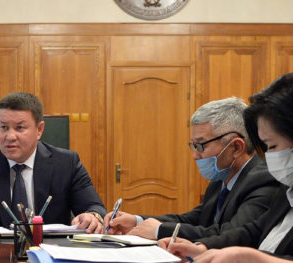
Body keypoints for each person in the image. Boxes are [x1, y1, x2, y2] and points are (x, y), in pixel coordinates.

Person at [103, 97, 279, 241]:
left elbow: (231, 234)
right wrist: (137, 221)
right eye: (193, 146)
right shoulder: (222, 177)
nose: (195, 155)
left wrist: (159, 230)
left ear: (236, 147)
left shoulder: (263, 180)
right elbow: (195, 219)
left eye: (201, 146)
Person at [164, 73, 293, 263]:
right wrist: (202, 249)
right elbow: (253, 231)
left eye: (272, 146)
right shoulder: (287, 192)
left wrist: (241, 262)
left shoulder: (266, 180)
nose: (268, 157)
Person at [0, 92, 106, 232]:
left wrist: (92, 216)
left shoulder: (66, 163)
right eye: (4, 127)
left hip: (50, 250)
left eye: (20, 128)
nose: (10, 136)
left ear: (39, 130)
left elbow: (95, 207)